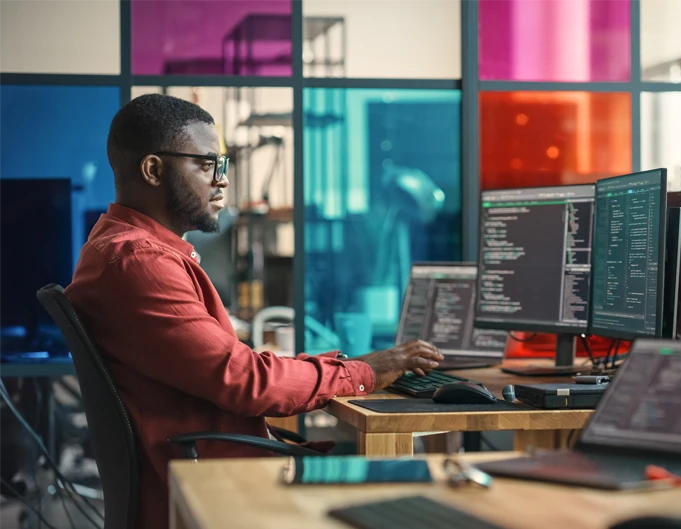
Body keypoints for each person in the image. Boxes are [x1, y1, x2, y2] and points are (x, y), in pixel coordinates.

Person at [65, 94, 443, 529]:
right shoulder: (140, 263)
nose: (222, 181)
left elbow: (237, 370)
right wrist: (364, 372)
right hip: (210, 488)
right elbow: (246, 382)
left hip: (203, 470)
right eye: (207, 165)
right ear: (152, 170)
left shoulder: (120, 249)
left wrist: (348, 366)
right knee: (414, 492)